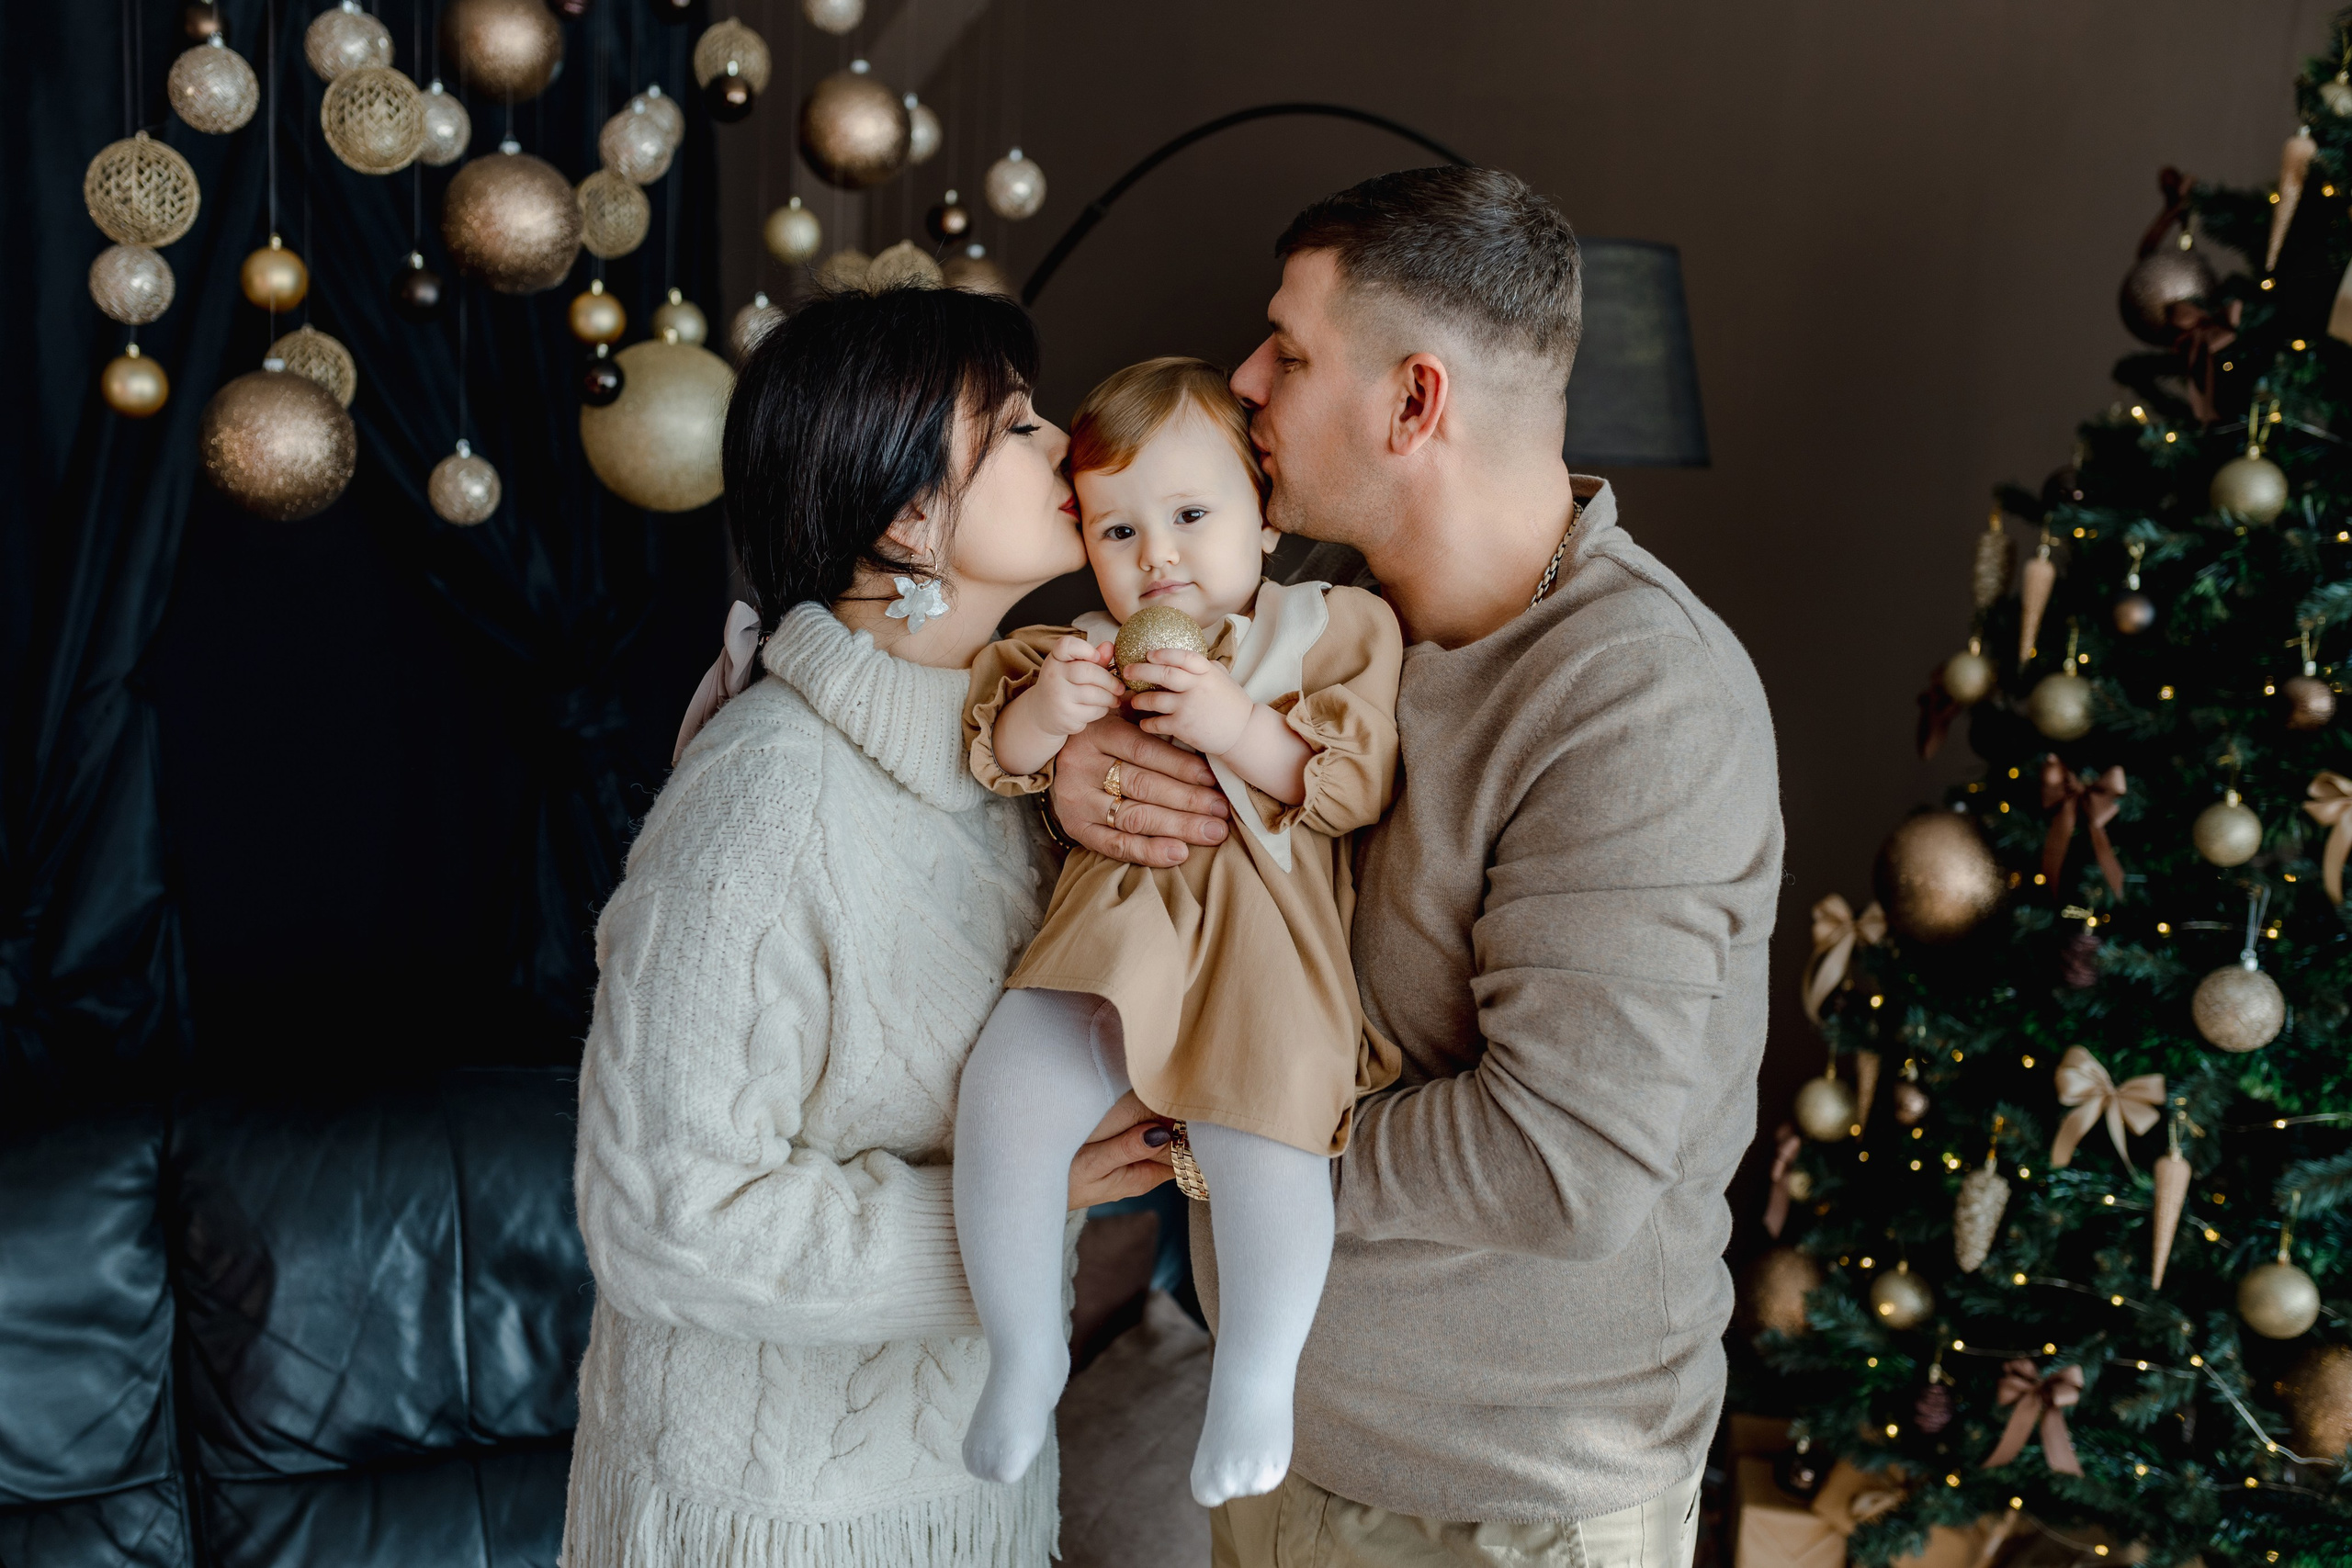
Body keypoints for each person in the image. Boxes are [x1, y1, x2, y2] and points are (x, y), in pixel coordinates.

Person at [1046, 167, 1784, 1568]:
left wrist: (1197, 1136)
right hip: (1291, 1456)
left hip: (1502, 1506)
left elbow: (1557, 1163)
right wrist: (1077, 784)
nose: (1245, 377)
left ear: (1414, 403)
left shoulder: (1637, 702)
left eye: (1292, 348)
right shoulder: (1319, 632)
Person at [562, 286, 1173, 1568]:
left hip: (976, 1498)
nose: (1063, 440)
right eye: (1012, 426)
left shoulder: (1013, 774)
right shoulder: (761, 799)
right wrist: (1025, 1197)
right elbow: (666, 1216)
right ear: (905, 515)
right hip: (768, 1520)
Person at [951, 357, 1402, 1506]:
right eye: (1116, 530)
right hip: (1112, 946)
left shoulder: (1328, 627)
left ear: (1262, 517)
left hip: (1263, 957)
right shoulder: (1084, 648)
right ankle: (1022, 1350)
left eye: (1192, 516)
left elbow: (1349, 786)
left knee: (1271, 1139)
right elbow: (1001, 749)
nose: (1156, 558)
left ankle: (1255, 1375)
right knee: (1005, 1093)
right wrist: (1053, 714)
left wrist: (1238, 724)